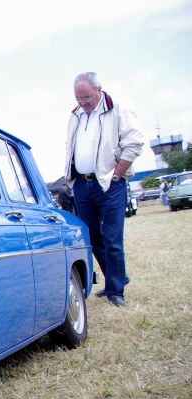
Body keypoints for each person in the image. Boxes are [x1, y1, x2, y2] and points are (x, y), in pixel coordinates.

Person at [64, 72, 145, 307]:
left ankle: (115, 290)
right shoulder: (75, 115)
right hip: (82, 184)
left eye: (86, 97)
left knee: (112, 238)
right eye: (78, 98)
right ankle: (116, 277)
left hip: (110, 183)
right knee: (92, 237)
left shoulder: (119, 109)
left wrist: (116, 174)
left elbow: (135, 143)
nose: (82, 103)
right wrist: (73, 180)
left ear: (99, 90)